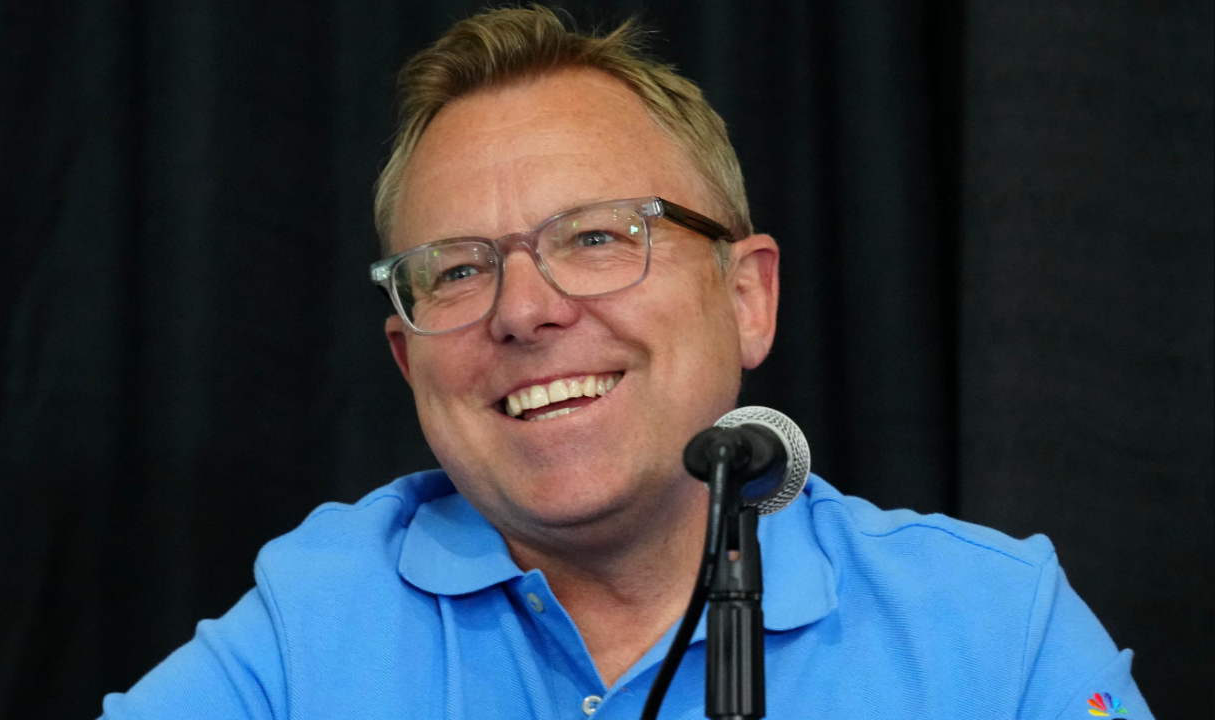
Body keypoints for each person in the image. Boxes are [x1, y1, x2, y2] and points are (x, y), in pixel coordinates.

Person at [100, 7, 1153, 719]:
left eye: (598, 237)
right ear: (406, 359)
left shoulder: (994, 631)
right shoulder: (311, 625)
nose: (524, 310)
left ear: (747, 298)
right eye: (457, 271)